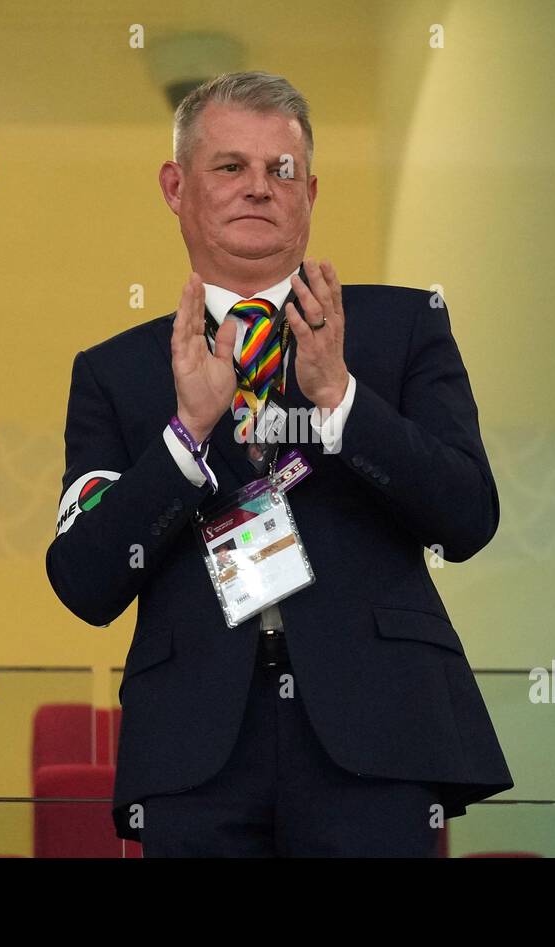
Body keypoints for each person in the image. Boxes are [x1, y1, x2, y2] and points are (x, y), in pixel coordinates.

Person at [46, 71, 512, 856]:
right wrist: (185, 436)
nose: (258, 188)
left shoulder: (400, 327)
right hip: (194, 750)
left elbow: (467, 516)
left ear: (310, 190)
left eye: (281, 170)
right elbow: (85, 581)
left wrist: (342, 400)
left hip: (379, 733)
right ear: (175, 186)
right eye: (230, 167)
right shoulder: (118, 372)